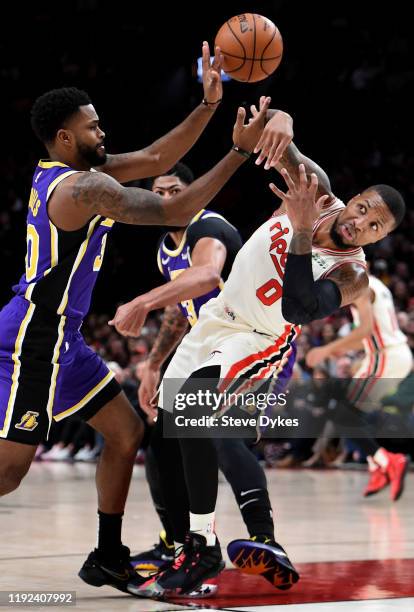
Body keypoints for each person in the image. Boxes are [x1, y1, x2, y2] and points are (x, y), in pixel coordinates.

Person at [0, 42, 281, 595]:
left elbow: (155, 158)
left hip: (65, 338)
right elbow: (174, 208)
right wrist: (237, 153)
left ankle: (107, 555)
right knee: (9, 473)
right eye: (92, 128)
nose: (102, 134)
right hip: (34, 338)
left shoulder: (76, 170)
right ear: (64, 138)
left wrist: (206, 107)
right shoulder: (83, 187)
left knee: (127, 432)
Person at [128, 104, 406, 596]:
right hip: (217, 319)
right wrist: (279, 119)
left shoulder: (354, 275)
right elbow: (280, 143)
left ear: (379, 238)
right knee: (178, 426)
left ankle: (207, 545)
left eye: (375, 227)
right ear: (354, 198)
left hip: (260, 338)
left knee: (200, 412)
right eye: (363, 209)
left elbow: (299, 308)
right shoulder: (317, 191)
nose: (360, 223)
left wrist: (300, 231)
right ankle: (202, 543)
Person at [110, 163, 299, 597]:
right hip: (208, 352)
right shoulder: (165, 248)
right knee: (159, 441)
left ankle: (264, 538)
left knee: (222, 437)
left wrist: (141, 302)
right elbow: (182, 310)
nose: (170, 198)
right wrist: (154, 364)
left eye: (178, 189)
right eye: (161, 192)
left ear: (194, 192)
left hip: (255, 342)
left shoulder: (207, 226)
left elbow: (208, 275)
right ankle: (182, 545)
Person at [306, 273, 412, 499]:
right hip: (390, 355)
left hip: (386, 357)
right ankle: (378, 468)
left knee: (343, 414)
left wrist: (325, 350)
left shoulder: (361, 286)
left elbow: (364, 330)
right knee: (347, 414)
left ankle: (388, 461)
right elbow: (367, 334)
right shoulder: (376, 284)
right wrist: (341, 350)